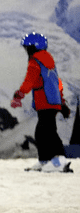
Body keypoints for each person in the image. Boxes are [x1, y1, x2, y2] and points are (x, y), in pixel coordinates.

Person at [10, 32, 72, 173]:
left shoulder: (35, 61)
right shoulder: (48, 61)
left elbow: (29, 80)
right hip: (52, 101)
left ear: (33, 47)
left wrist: (19, 94)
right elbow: (56, 83)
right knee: (43, 131)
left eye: (27, 48)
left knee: (47, 132)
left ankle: (58, 161)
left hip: (45, 101)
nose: (26, 51)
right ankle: (45, 161)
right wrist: (61, 102)